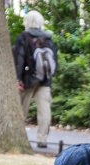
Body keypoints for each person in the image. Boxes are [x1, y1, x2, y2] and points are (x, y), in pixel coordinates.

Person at [13, 10, 58, 149]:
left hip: (28, 80)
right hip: (45, 80)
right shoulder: (48, 38)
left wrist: (17, 78)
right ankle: (42, 139)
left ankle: (17, 136)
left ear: (27, 22)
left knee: (21, 109)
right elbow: (55, 59)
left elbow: (19, 60)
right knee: (44, 111)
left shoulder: (24, 37)